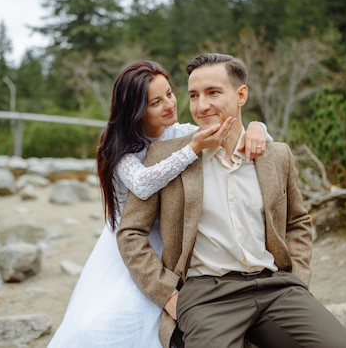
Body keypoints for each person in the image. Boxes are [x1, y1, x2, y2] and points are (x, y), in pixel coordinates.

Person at [117, 53, 346, 348]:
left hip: (277, 287)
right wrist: (166, 294)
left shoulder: (276, 155)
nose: (201, 105)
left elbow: (298, 222)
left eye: (213, 93)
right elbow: (130, 232)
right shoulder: (167, 156)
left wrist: (298, 277)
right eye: (194, 95)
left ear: (241, 94)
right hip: (207, 296)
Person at [48, 60, 272, 347]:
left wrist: (257, 127)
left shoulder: (180, 131)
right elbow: (142, 184)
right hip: (132, 239)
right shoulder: (119, 146)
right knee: (110, 319)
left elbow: (231, 130)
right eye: (156, 102)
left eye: (169, 93)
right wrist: (193, 149)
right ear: (136, 112)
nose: (169, 104)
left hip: (171, 233)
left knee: (171, 317)